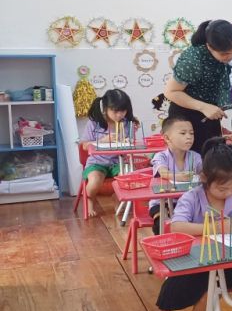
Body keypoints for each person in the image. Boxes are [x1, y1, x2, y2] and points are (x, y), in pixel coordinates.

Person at [155, 137, 232, 311]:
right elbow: (176, 226)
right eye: (222, 188)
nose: (229, 193)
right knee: (207, 294)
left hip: (226, 259)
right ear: (204, 178)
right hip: (195, 264)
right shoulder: (192, 197)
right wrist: (215, 227)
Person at [164, 20, 232, 153]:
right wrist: (204, 107)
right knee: (191, 158)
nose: (231, 57)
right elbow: (171, 92)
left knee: (214, 156)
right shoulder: (192, 60)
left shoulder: (223, 55)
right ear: (209, 47)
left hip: (210, 113)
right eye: (225, 54)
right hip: (186, 116)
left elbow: (228, 73)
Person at [80, 89, 138, 217]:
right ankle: (89, 199)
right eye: (115, 111)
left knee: (127, 177)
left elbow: (130, 146)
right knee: (95, 181)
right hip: (97, 162)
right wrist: (102, 141)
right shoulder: (94, 122)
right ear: (105, 108)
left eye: (123, 111)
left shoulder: (127, 124)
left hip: (118, 161)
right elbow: (84, 145)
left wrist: (128, 140)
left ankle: (117, 198)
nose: (119, 115)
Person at [149, 116, 202, 234]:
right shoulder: (161, 156)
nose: (189, 137)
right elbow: (163, 172)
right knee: (162, 227)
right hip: (163, 203)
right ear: (167, 138)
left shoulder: (195, 156)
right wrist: (179, 176)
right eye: (183, 133)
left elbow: (204, 173)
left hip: (189, 201)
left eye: (191, 133)